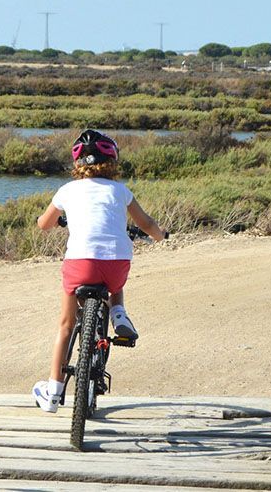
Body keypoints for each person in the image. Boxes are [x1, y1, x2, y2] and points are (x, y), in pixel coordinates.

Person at [31, 129, 166, 413]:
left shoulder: (66, 190)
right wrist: (160, 236)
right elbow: (146, 223)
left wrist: (51, 222)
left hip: (79, 264)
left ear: (78, 164)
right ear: (112, 162)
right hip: (116, 267)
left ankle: (53, 392)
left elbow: (44, 224)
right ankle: (118, 313)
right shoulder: (121, 191)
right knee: (114, 267)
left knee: (66, 326)